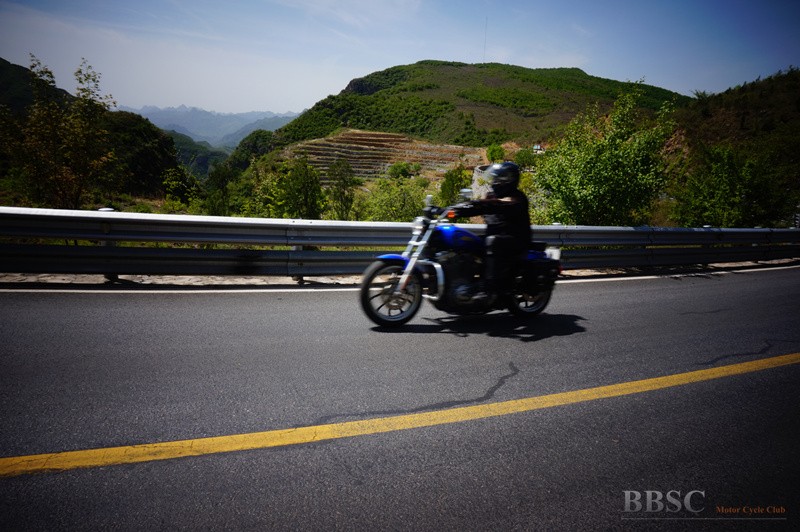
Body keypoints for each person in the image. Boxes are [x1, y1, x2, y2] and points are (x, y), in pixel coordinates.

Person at [454, 161, 531, 303]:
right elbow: (478, 207)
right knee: (467, 242)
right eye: (494, 178)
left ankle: (488, 289)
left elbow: (498, 204)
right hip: (498, 238)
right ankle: (466, 284)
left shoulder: (517, 197)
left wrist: (481, 204)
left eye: (498, 178)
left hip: (516, 240)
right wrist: (454, 210)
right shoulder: (491, 195)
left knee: (492, 241)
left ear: (509, 179)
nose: (495, 182)